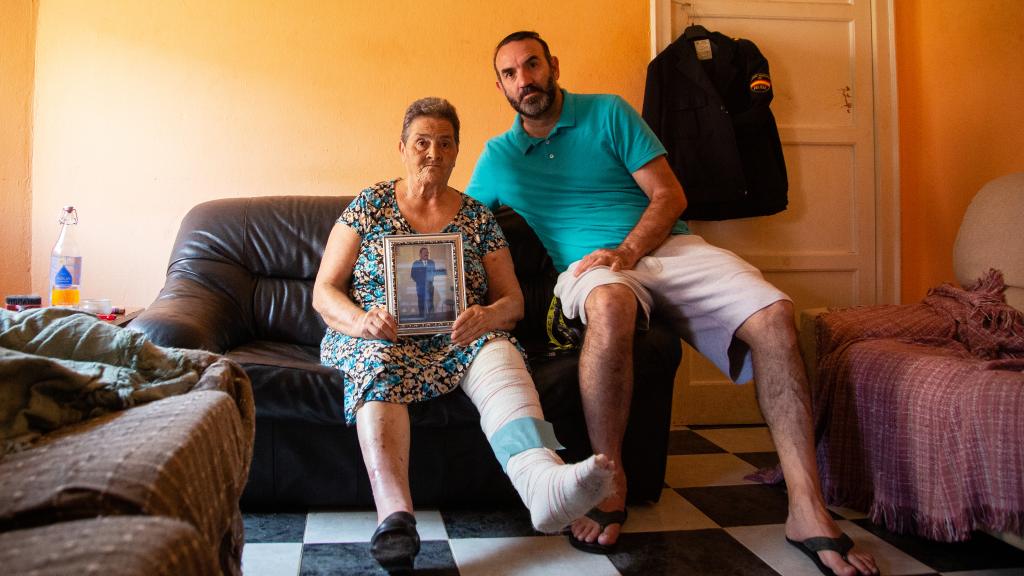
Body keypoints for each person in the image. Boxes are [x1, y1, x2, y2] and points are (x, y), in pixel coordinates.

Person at [465, 31, 879, 576]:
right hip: (590, 270)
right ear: (500, 86)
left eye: (532, 65)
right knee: (610, 304)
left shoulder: (608, 113)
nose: (525, 80)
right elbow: (463, 225)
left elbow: (669, 195)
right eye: (511, 74)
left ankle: (807, 507)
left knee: (776, 316)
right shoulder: (499, 157)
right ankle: (609, 484)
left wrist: (630, 249)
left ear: (553, 65)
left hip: (664, 247)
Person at [314, 97, 615, 574]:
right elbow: (324, 291)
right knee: (376, 360)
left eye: (445, 143)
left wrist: (488, 317)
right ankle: (395, 518)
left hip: (458, 338)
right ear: (402, 148)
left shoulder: (477, 217)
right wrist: (360, 321)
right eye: (422, 142)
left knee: (498, 350)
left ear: (457, 152)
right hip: (378, 337)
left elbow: (513, 302)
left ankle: (542, 483)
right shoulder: (369, 204)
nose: (433, 153)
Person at [410, 246, 437, 319]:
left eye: (427, 252)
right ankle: (421, 316)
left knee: (430, 300)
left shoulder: (432, 262)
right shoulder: (416, 263)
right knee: (421, 301)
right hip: (420, 286)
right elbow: (413, 275)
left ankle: (431, 316)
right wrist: (420, 282)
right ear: (420, 254)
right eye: (424, 252)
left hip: (430, 285)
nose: (426, 254)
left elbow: (434, 273)